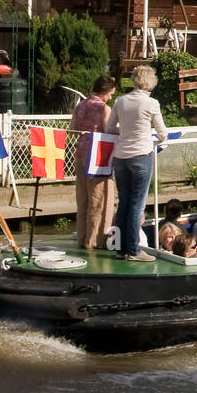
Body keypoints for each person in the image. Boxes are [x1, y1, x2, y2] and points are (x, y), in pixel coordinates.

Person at [106, 65, 169, 263]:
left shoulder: (120, 100)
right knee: (136, 204)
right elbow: (163, 133)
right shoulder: (152, 103)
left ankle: (122, 249)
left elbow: (110, 128)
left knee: (124, 202)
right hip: (141, 155)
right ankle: (133, 250)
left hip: (120, 157)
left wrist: (125, 132)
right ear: (151, 82)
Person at [73, 76, 117, 249]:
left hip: (80, 154)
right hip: (98, 158)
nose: (111, 98)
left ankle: (82, 238)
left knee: (83, 199)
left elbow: (74, 128)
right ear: (105, 92)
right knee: (99, 200)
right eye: (111, 94)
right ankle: (94, 241)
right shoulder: (103, 108)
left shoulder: (81, 105)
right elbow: (108, 131)